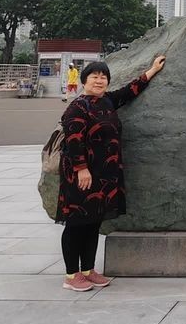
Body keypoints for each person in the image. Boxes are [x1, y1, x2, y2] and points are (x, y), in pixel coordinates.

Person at [56, 55, 166, 290]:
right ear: (84, 81)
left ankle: (88, 269)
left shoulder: (106, 101)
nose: (99, 81)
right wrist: (81, 169)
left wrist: (152, 70)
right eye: (94, 77)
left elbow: (129, 92)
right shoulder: (78, 107)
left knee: (93, 222)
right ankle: (71, 275)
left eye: (103, 77)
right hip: (80, 175)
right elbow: (74, 140)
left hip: (103, 174)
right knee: (76, 223)